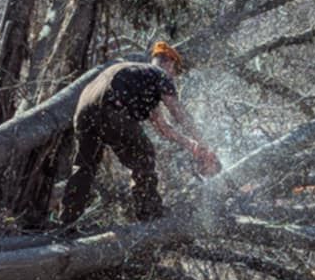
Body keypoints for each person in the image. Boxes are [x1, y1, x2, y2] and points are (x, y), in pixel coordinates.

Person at [60, 41, 220, 228]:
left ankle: (68, 220)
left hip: (84, 111)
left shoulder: (139, 76)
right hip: (113, 108)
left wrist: (192, 145)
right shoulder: (160, 75)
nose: (174, 76)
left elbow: (163, 127)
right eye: (175, 71)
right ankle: (149, 212)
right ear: (169, 62)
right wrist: (204, 143)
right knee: (144, 155)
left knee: (85, 166)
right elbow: (179, 113)